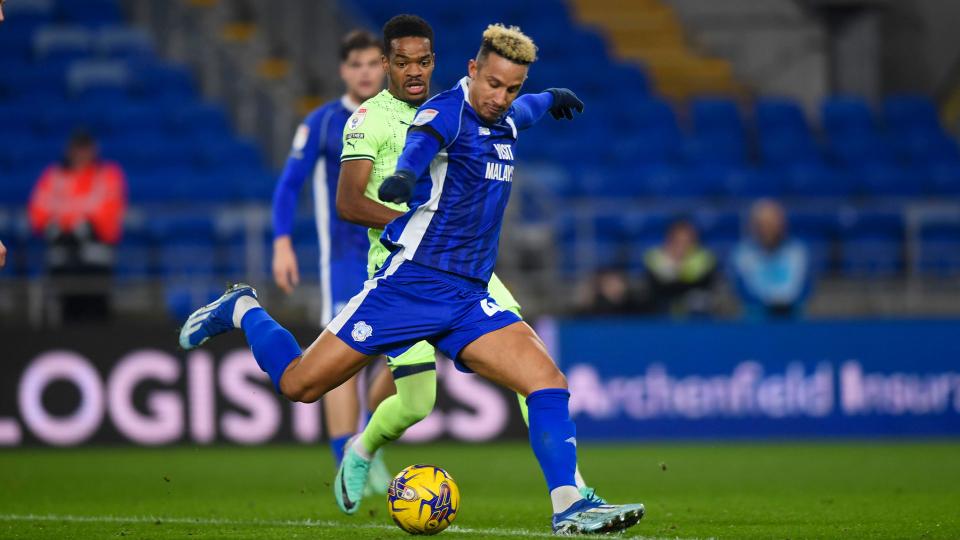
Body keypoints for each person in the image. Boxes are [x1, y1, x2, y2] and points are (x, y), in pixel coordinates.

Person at [179, 23, 644, 535]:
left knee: (547, 383)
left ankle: (568, 507)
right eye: (493, 84)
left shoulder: (509, 115)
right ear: (472, 70)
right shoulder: (445, 111)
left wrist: (551, 96)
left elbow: (528, 108)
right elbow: (423, 141)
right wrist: (403, 176)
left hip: (468, 296)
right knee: (299, 385)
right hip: (409, 287)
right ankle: (243, 308)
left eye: (510, 88)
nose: (500, 97)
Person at [332, 14, 604, 516]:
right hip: (407, 266)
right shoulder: (374, 120)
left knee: (537, 373)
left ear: (437, 63)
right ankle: (362, 448)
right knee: (416, 404)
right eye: (403, 62)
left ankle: (571, 490)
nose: (414, 70)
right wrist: (405, 208)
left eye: (422, 61)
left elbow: (522, 107)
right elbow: (350, 202)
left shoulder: (476, 107)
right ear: (390, 65)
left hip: (472, 270)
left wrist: (553, 96)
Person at [270, 29, 394, 487]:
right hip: (344, 262)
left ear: (384, 67)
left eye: (371, 64)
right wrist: (282, 241)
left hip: (397, 257)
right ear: (344, 71)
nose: (363, 72)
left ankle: (366, 441)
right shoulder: (322, 122)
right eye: (355, 65)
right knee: (342, 361)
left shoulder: (403, 116)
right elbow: (288, 185)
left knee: (415, 353)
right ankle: (346, 459)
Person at [28, 130, 127, 323]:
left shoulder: (107, 174)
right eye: (77, 148)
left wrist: (82, 227)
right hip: (62, 256)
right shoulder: (54, 176)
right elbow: (38, 211)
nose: (81, 154)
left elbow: (110, 211)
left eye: (85, 148)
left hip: (97, 257)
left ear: (94, 150)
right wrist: (57, 228)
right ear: (69, 150)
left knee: (97, 312)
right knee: (66, 311)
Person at [731, 199, 811, 319]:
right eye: (764, 224)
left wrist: (784, 301)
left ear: (783, 225)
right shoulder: (742, 253)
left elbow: (805, 286)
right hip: (757, 313)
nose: (769, 229)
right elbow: (742, 289)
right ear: (754, 226)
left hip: (792, 311)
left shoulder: (798, 251)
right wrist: (768, 303)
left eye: (773, 223)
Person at [641, 218, 717, 317]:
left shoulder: (704, 257)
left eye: (687, 241)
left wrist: (678, 272)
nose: (682, 245)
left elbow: (700, 283)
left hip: (695, 312)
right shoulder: (653, 256)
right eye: (678, 241)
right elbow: (658, 286)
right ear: (669, 240)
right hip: (661, 308)